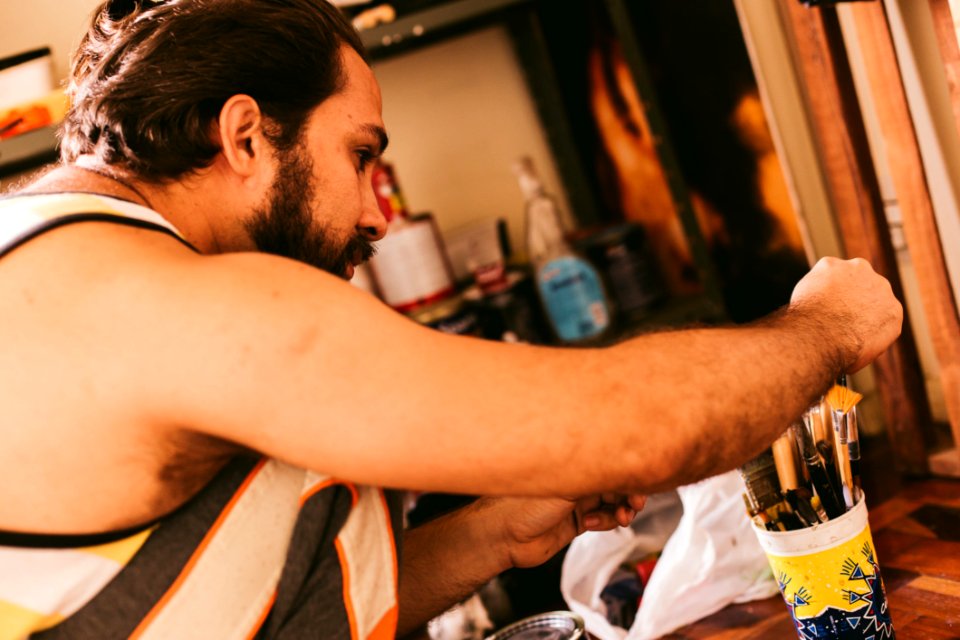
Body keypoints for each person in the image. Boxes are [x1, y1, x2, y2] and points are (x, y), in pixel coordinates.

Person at [0, 0, 902, 638]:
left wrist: (489, 535)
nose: (374, 216)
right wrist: (827, 327)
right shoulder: (165, 300)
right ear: (246, 137)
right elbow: (645, 428)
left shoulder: (61, 254)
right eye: (361, 157)